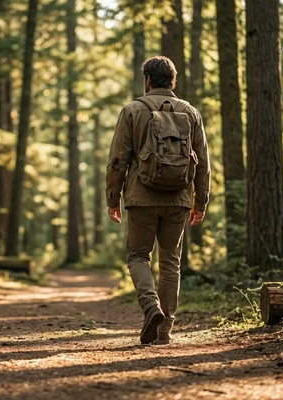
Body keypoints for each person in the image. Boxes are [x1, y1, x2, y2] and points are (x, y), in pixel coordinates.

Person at [105, 56, 210, 345]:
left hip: (141, 197)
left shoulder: (132, 110)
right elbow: (203, 163)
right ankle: (165, 332)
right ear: (172, 80)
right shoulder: (190, 112)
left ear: (148, 80)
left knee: (139, 257)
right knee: (171, 263)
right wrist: (201, 202)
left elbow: (118, 159)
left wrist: (113, 198)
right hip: (179, 199)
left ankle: (152, 307)